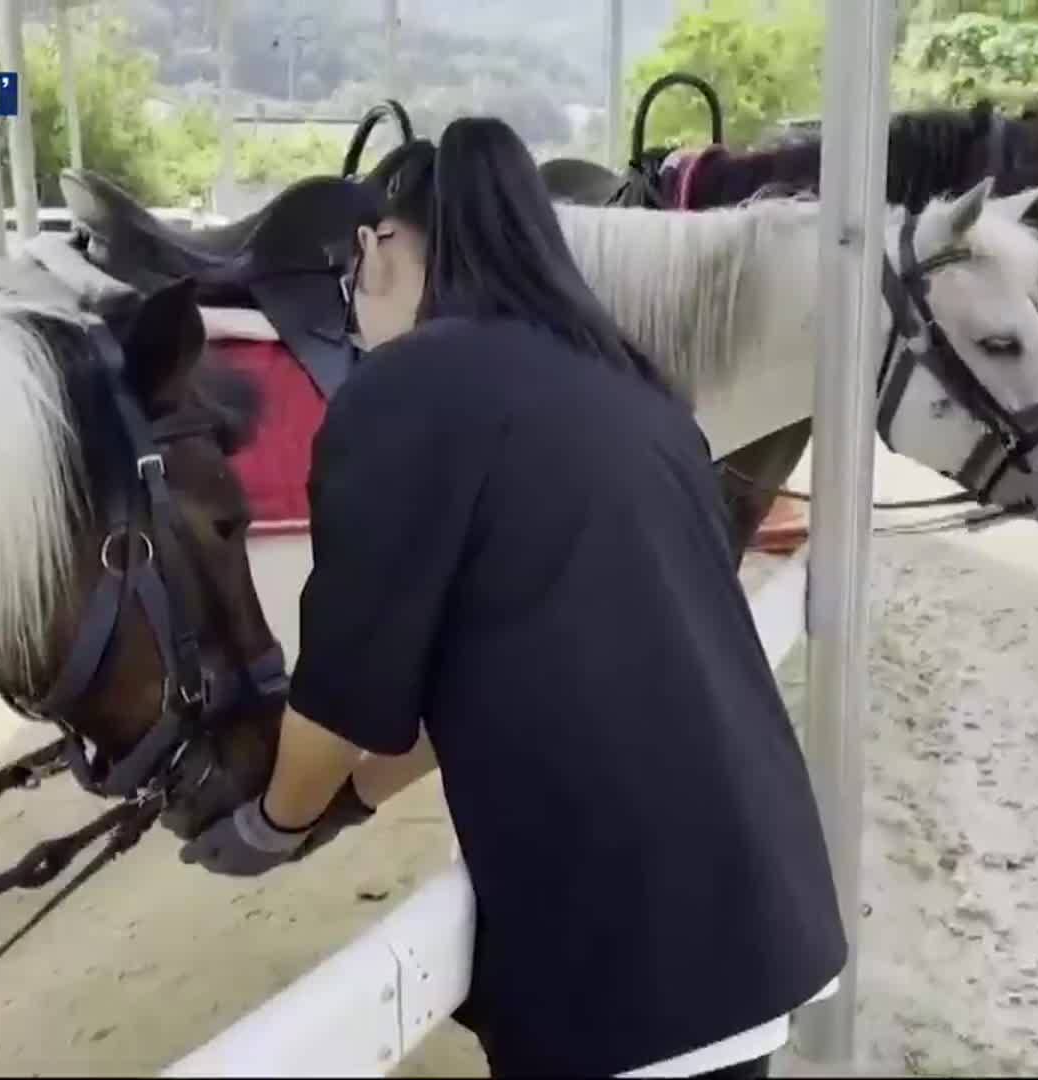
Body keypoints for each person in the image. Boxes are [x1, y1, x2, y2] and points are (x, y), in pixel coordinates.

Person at [173, 117, 846, 1078]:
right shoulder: (636, 392)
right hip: (755, 927)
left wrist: (273, 823)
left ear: (382, 244)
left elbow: (342, 691)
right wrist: (352, 804)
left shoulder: (402, 389)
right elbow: (498, 678)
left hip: (621, 963)